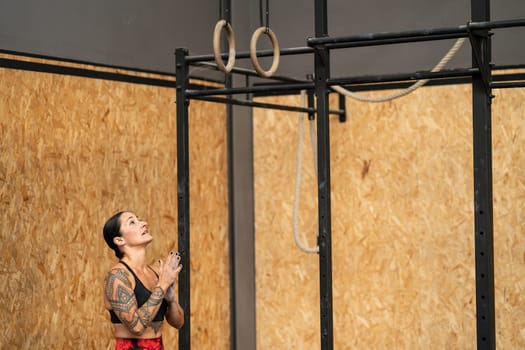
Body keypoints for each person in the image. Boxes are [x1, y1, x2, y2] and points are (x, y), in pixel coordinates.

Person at [103, 210, 184, 350]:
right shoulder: (117, 276)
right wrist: (163, 284)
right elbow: (136, 326)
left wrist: (171, 301)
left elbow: (179, 323)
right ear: (119, 240)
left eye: (140, 220)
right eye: (132, 222)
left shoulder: (156, 273)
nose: (144, 224)